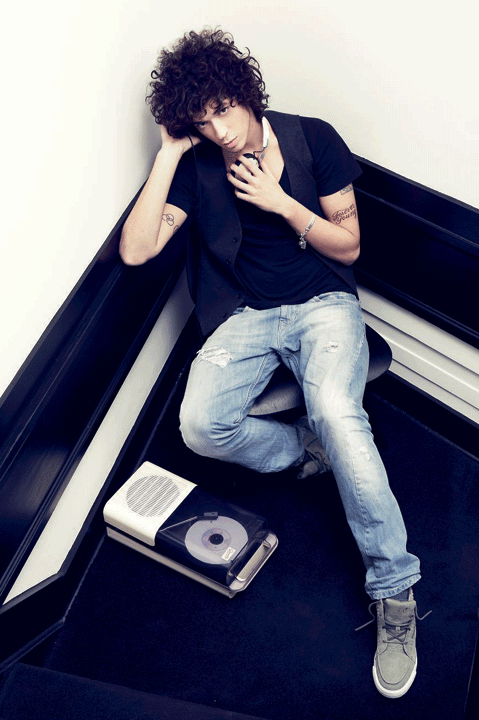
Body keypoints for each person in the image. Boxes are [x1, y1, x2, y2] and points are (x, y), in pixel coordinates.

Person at [120, 28, 425, 699]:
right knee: (200, 427)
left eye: (223, 110)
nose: (220, 132)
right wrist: (169, 153)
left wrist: (281, 203)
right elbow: (137, 250)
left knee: (338, 412)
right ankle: (305, 451)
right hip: (246, 314)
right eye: (201, 122)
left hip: (323, 304)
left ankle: (394, 588)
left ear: (247, 93)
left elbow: (348, 248)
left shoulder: (313, 139)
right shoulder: (198, 165)